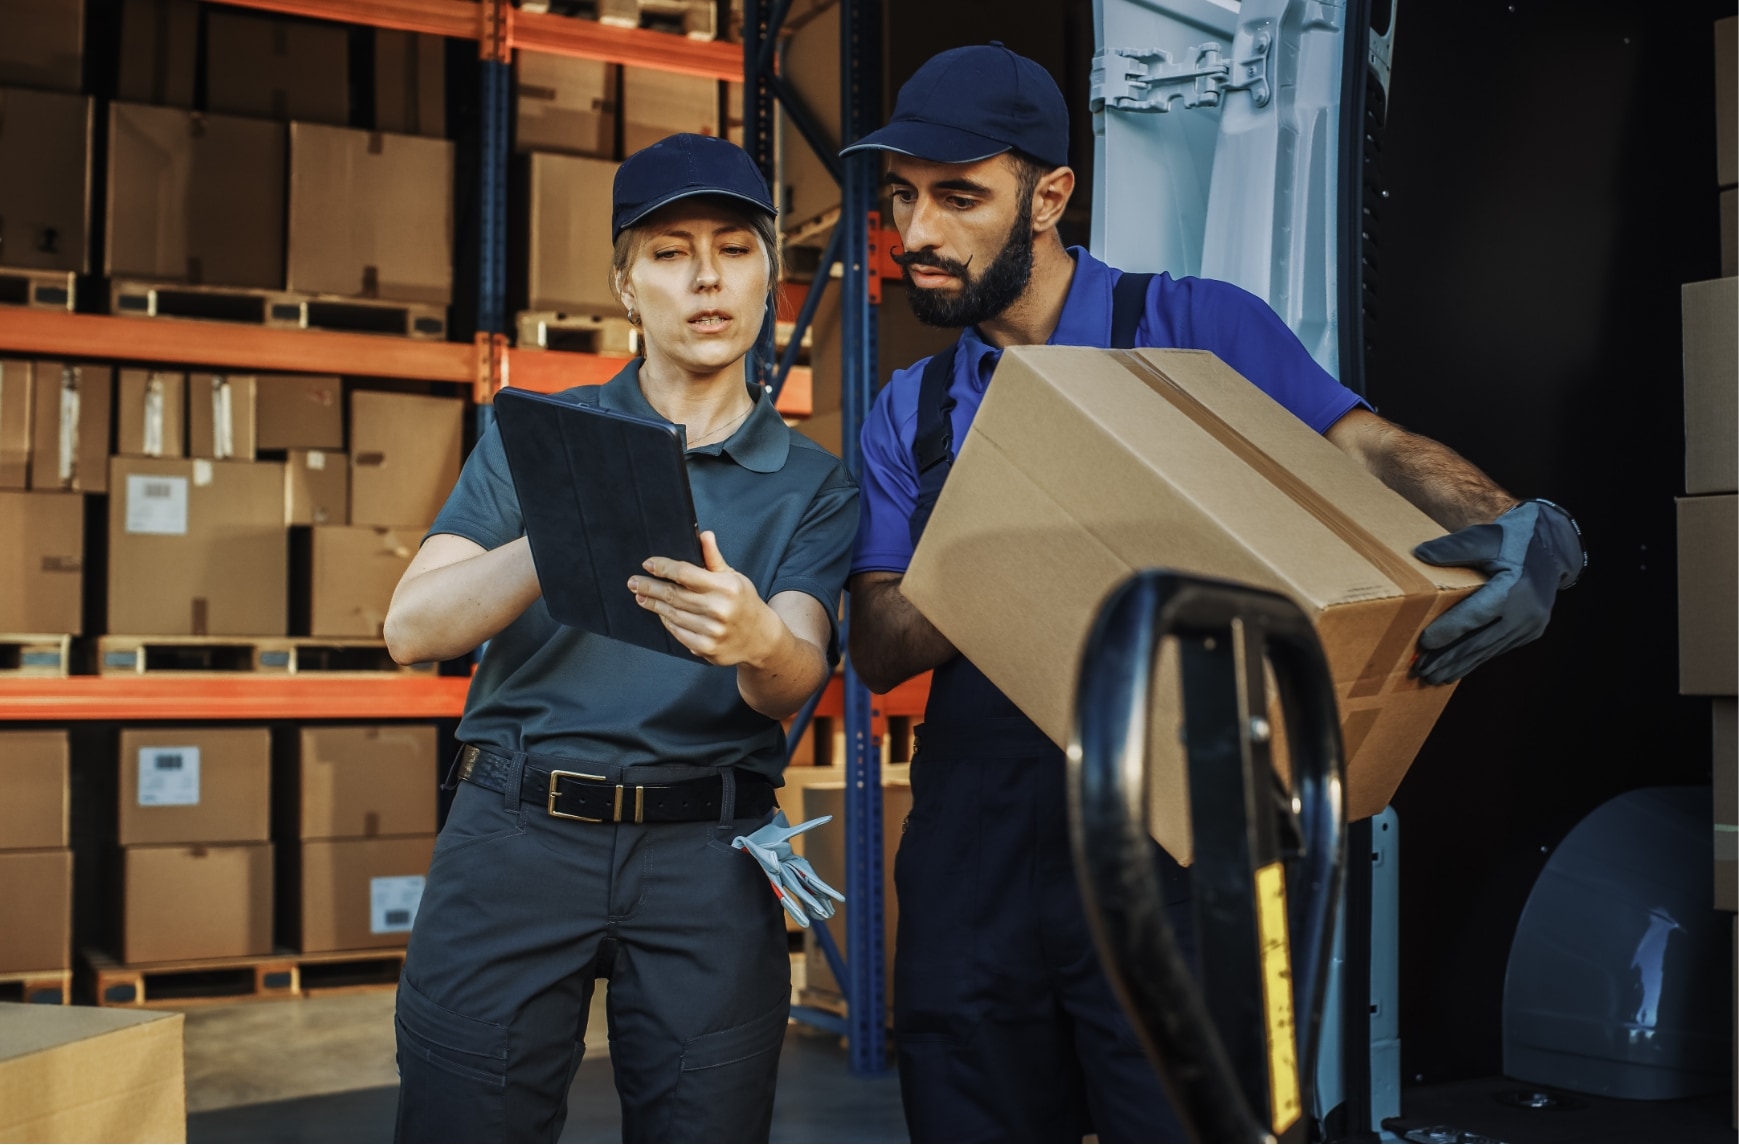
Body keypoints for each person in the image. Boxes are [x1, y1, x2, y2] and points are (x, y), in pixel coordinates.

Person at [841, 44, 1585, 1143]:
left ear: (1049, 197)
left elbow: (1366, 447)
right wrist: (1023, 515)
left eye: (958, 197)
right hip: (975, 853)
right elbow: (877, 643)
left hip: (1181, 842)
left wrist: (1527, 520)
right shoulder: (914, 409)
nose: (916, 235)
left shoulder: (1189, 328)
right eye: (901, 197)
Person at [382, 133, 859, 1144]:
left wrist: (757, 634)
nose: (703, 278)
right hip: (515, 832)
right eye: (667, 251)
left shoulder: (813, 484)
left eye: (733, 248)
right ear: (624, 284)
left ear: (770, 277)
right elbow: (410, 627)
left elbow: (798, 671)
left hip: (706, 853)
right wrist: (560, 528)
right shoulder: (535, 435)